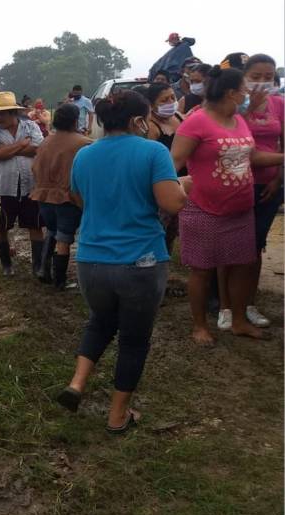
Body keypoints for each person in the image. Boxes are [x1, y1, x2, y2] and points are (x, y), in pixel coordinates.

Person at [56, 90, 189, 433]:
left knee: (100, 321)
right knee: (133, 339)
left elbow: (77, 196)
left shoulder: (85, 155)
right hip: (140, 262)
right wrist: (182, 186)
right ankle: (118, 415)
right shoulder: (153, 151)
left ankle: (77, 384)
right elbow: (172, 203)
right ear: (137, 121)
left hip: (91, 261)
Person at [170, 66, 284, 345]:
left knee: (242, 264)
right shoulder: (196, 122)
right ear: (232, 93)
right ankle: (199, 326)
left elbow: (252, 155)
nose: (247, 96)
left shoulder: (238, 120)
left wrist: (281, 157)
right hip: (204, 208)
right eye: (244, 91)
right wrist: (176, 190)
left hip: (240, 209)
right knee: (202, 269)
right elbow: (172, 163)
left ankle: (239, 320)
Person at [216, 54, 284, 330]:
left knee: (255, 247)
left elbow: (282, 146)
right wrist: (247, 109)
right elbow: (224, 136)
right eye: (255, 77)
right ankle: (225, 306)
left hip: (267, 186)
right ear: (243, 76)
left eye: (268, 77)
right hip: (233, 183)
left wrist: (278, 180)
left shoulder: (279, 104)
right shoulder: (233, 104)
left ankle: (248, 303)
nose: (262, 82)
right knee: (229, 246)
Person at [0, 92, 45, 276]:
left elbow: (39, 149)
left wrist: (9, 149)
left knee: (35, 226)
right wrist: (21, 145)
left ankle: (37, 266)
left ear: (13, 113)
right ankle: (6, 265)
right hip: (3, 187)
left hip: (30, 186)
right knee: (0, 228)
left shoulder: (31, 126)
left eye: (2, 113)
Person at [30, 103, 90, 289]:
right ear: (75, 121)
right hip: (67, 197)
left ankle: (43, 269)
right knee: (64, 239)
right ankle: (60, 281)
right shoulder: (84, 143)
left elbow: (35, 167)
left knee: (52, 231)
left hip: (43, 195)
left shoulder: (46, 141)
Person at [145, 82, 186, 254]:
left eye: (172, 98)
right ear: (152, 104)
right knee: (160, 227)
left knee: (174, 231)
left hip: (184, 182)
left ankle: (167, 259)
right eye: (164, 100)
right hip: (163, 184)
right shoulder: (151, 127)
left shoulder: (179, 117)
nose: (171, 102)